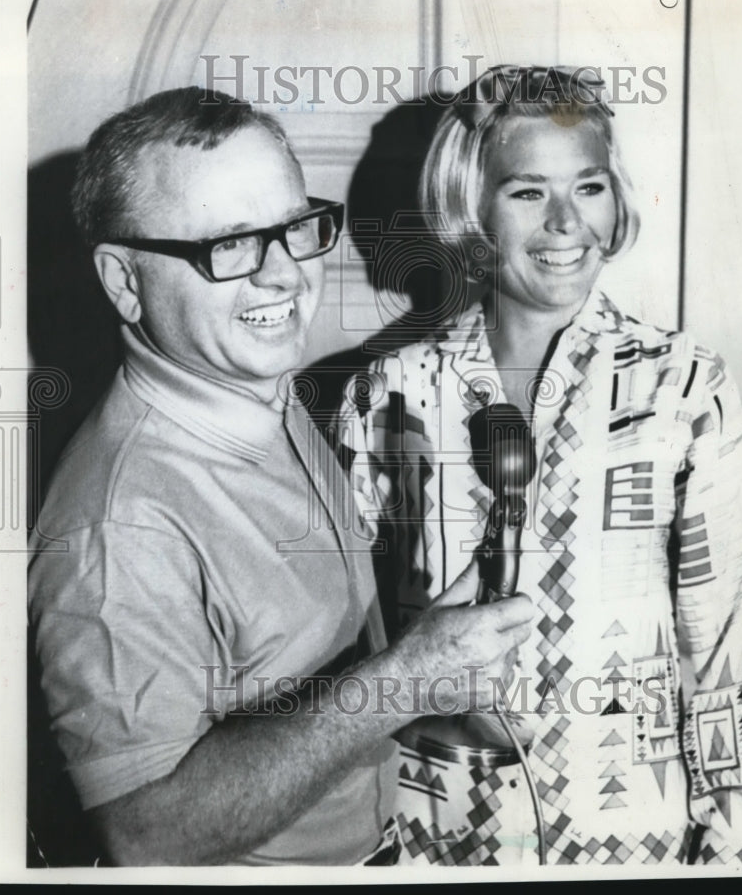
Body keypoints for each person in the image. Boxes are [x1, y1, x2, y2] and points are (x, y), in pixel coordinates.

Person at [27, 86, 535, 867]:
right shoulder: (117, 526)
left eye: (293, 230)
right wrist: (403, 681)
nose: (286, 278)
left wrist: (426, 672)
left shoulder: (258, 388)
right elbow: (147, 835)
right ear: (125, 282)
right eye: (228, 246)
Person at [337, 65, 742, 866]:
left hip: (631, 834)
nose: (567, 223)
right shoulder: (386, 392)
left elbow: (715, 642)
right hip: (433, 828)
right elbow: (357, 637)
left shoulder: (684, 384)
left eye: (588, 188)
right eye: (528, 193)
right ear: (472, 206)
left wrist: (725, 835)